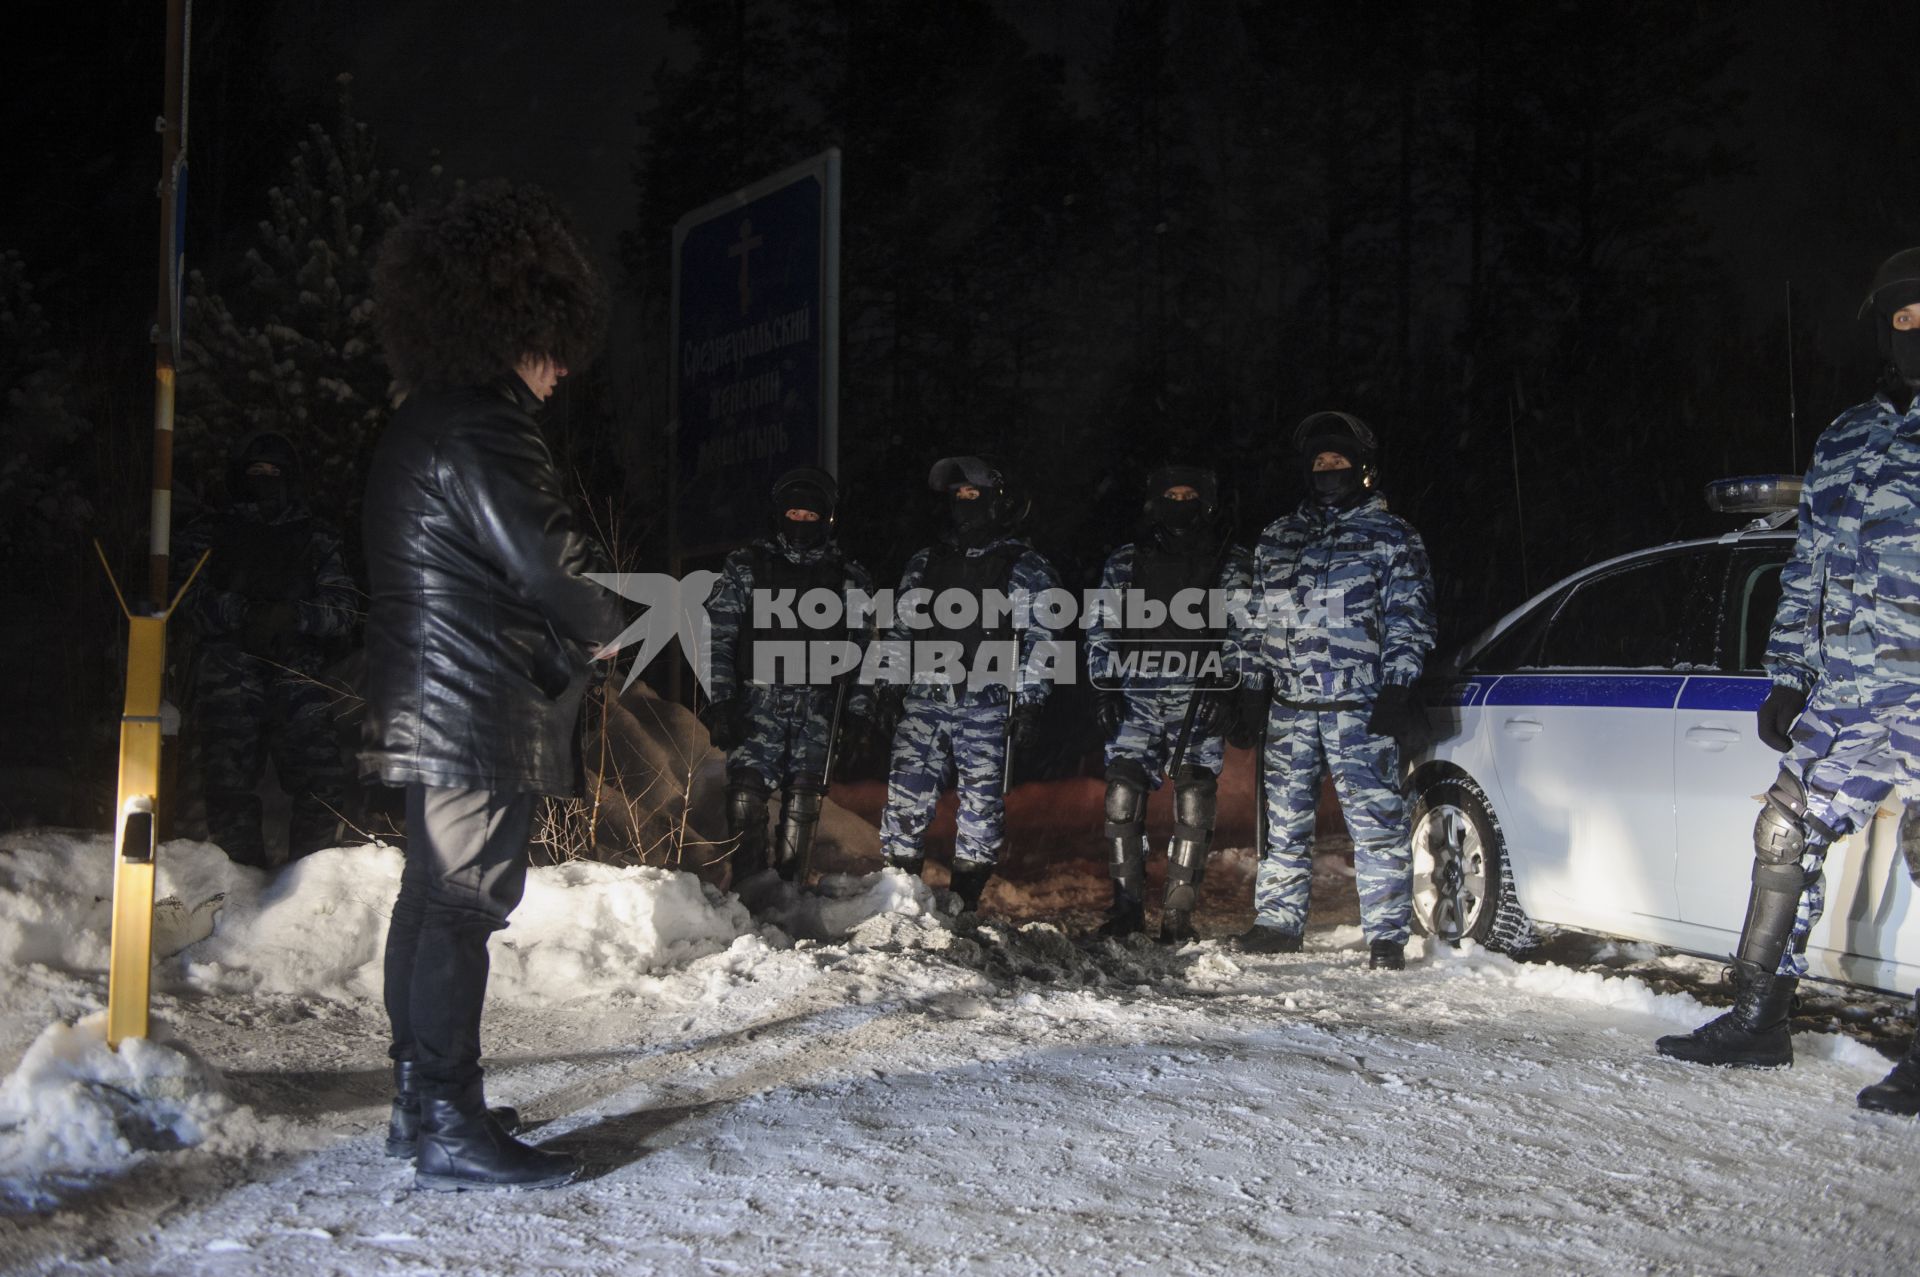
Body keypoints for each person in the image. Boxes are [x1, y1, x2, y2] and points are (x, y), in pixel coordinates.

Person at [361, 180, 624, 1190]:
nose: (563, 370)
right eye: (555, 347)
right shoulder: (485, 424)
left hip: (429, 689)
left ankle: (417, 1101)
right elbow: (546, 557)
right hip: (472, 698)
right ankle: (449, 1122)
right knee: (463, 904)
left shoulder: (426, 419)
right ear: (519, 325)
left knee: (430, 898)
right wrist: (614, 623)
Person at [1657, 248, 1920, 1112]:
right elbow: (1810, 566)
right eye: (1902, 316)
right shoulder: (1847, 435)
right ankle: (1758, 1018)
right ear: (1882, 326)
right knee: (1785, 831)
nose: (1914, 328)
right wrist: (1789, 673)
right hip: (1845, 690)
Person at [1230, 412, 1436, 969]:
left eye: (1338, 462)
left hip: (1359, 705)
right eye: (1319, 463)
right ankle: (1277, 922)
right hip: (1290, 707)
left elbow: (1408, 618)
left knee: (1376, 824)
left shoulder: (1392, 537)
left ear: (1363, 469)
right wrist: (1249, 687)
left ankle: (1387, 934)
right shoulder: (1279, 536)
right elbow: (1253, 618)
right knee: (1283, 825)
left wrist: (1397, 686)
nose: (1328, 471)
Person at [874, 456, 1062, 912]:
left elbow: (1042, 636)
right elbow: (899, 628)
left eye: (974, 495)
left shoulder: (1023, 565)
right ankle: (899, 902)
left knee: (980, 809)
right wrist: (886, 685)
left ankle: (963, 904)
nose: (964, 503)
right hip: (925, 699)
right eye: (957, 496)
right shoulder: (927, 561)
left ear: (997, 502)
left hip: (988, 702)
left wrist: (1031, 701)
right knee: (905, 800)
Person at [1086, 464, 1252, 942]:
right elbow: (1101, 625)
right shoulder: (1128, 560)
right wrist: (1102, 686)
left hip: (1198, 695)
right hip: (1136, 693)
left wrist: (1230, 691)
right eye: (1171, 495)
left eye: (1189, 495)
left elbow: (1244, 631)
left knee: (1196, 799)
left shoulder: (1230, 561)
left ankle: (1178, 918)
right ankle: (1127, 910)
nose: (1180, 504)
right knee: (1121, 796)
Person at [177, 430, 357, 866]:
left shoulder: (316, 538)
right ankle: (239, 885)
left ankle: (311, 884)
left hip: (297, 669)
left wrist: (291, 616)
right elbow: (186, 601)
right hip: (230, 670)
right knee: (226, 785)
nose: (264, 481)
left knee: (324, 784)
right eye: (255, 473)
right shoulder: (211, 534)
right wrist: (243, 612)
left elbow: (344, 609)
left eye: (274, 473)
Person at [701, 466, 873, 896]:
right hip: (757, 700)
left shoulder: (850, 578)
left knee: (804, 801)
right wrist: (720, 702)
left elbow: (867, 652)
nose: (800, 523)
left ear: (827, 519)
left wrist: (859, 713)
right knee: (745, 799)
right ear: (779, 514)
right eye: (793, 513)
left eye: (810, 516)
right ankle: (749, 893)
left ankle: (790, 895)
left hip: (818, 704)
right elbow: (717, 638)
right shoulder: (746, 566)